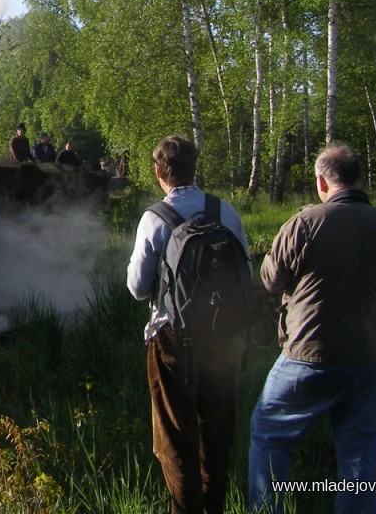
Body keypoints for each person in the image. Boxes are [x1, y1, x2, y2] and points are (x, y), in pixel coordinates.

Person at [248, 143, 376, 514]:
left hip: (309, 356)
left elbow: (271, 280)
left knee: (270, 435)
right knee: (360, 457)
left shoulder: (304, 222)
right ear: (360, 180)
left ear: (322, 183)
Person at [126, 135, 249, 514]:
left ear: (159, 172)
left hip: (172, 341)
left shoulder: (155, 218)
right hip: (222, 336)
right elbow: (244, 270)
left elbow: (136, 288)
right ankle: (215, 506)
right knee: (217, 429)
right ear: (195, 167)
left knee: (175, 437)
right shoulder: (224, 211)